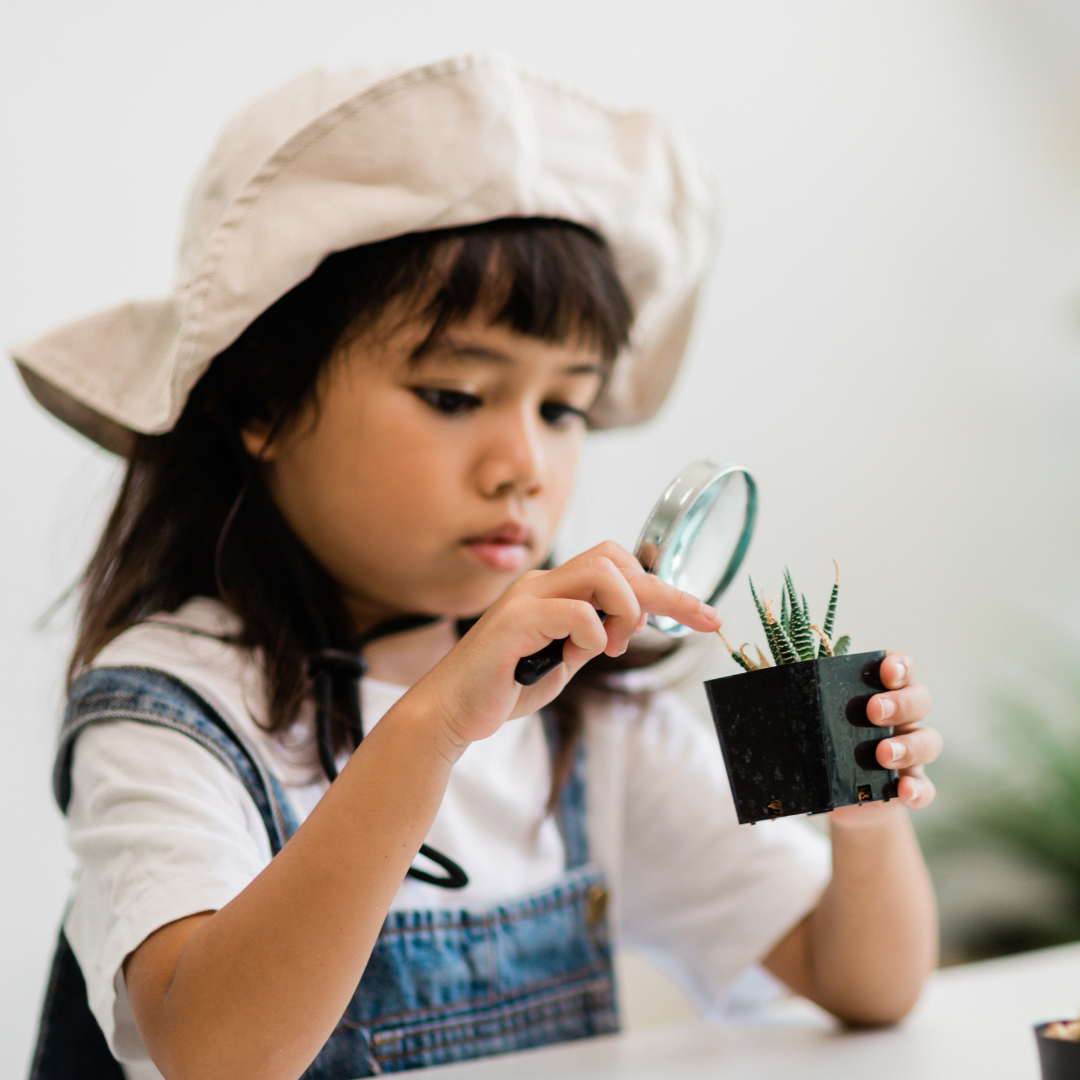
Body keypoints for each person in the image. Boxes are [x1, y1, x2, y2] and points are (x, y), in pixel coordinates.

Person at [16, 52, 941, 1080]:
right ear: (263, 404)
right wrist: (434, 723)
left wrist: (863, 823)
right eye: (456, 395)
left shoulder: (593, 716)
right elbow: (219, 1053)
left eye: (563, 408)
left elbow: (868, 982)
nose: (524, 468)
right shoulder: (174, 705)